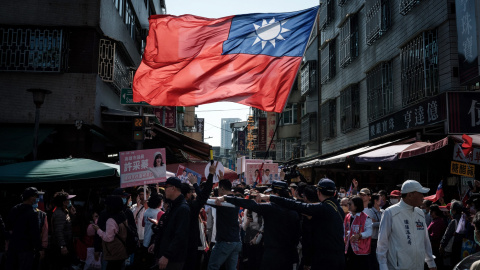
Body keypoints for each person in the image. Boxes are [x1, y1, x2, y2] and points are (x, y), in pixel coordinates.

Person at [259, 178, 346, 270]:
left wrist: (270, 197)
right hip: (339, 258)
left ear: (318, 192)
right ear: (334, 193)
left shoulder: (323, 208)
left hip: (326, 260)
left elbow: (295, 204)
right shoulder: (338, 208)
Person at [216, 180, 300, 270]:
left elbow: (249, 203)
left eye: (271, 193)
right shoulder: (294, 211)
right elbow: (297, 236)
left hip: (271, 255)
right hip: (288, 256)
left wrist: (226, 198)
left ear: (277, 194)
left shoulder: (270, 208)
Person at [376, 180, 437, 270]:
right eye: (420, 194)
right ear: (409, 195)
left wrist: (431, 262)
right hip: (398, 267)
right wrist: (383, 266)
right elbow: (382, 243)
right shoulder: (390, 212)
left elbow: (425, 240)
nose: (423, 197)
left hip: (418, 266)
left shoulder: (420, 213)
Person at [181, 163, 215, 270]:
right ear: (187, 194)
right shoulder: (190, 207)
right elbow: (204, 196)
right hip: (192, 246)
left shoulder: (172, 207)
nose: (193, 194)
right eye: (191, 192)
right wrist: (210, 174)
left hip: (178, 247)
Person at [154, 177, 190, 270]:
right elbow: (166, 230)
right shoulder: (172, 206)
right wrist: (156, 244)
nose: (164, 190)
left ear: (173, 188)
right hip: (165, 255)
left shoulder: (183, 208)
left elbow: (180, 236)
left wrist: (167, 255)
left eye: (166, 187)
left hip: (173, 259)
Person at [5, 187, 43, 270]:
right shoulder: (32, 213)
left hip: (13, 247)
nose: (37, 199)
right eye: (35, 196)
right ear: (31, 197)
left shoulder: (14, 209)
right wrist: (39, 248)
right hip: (26, 249)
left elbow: (8, 226)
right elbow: (35, 232)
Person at [207, 179, 242, 270]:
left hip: (225, 241)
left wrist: (195, 184)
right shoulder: (235, 200)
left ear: (222, 188)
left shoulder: (223, 203)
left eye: (218, 188)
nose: (217, 190)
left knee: (212, 267)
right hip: (236, 241)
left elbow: (204, 199)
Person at [92, 195, 129, 270]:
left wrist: (98, 230)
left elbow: (108, 238)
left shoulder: (110, 220)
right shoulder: (122, 215)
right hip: (122, 250)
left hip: (112, 252)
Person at [344, 196, 372, 270]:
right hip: (349, 248)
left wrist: (359, 235)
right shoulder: (348, 216)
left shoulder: (366, 217)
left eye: (350, 204)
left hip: (361, 250)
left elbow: (369, 232)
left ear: (356, 205)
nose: (348, 206)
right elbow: (344, 229)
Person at [50, 191, 76, 270]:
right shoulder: (59, 214)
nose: (69, 202)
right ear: (64, 202)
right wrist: (62, 246)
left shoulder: (64, 211)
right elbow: (59, 231)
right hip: (61, 245)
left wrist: (72, 214)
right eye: (68, 200)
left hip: (66, 243)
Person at [439, 200, 463, 268]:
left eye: (451, 209)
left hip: (452, 248)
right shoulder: (464, 219)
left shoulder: (454, 221)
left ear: (454, 211)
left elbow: (447, 235)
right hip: (460, 247)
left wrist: (442, 246)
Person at [364, 193, 384, 270]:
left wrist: (377, 223)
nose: (382, 201)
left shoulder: (383, 211)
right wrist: (382, 223)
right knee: (373, 260)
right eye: (380, 199)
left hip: (381, 239)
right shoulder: (370, 211)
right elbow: (370, 224)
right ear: (376, 201)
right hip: (373, 240)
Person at [427, 204, 447, 269]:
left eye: (431, 212)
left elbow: (435, 236)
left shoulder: (438, 221)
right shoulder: (435, 220)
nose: (430, 214)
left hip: (435, 247)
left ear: (435, 212)